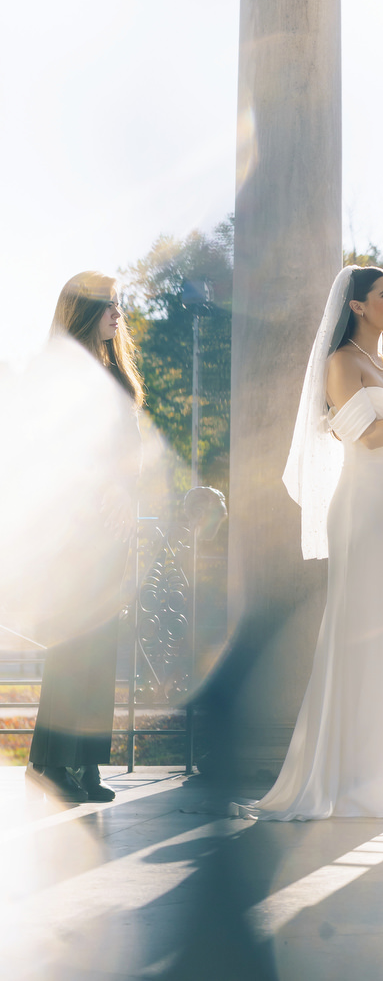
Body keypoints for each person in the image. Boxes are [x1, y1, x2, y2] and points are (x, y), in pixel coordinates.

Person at [248, 265, 383, 820]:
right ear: (358, 306)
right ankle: (343, 779)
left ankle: (381, 780)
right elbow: (367, 437)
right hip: (361, 512)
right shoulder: (341, 364)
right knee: (356, 633)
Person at [26, 272, 143, 806]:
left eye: (118, 305)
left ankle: (86, 761)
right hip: (75, 526)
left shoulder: (116, 371)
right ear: (81, 312)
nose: (117, 314)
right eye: (107, 306)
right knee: (74, 645)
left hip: (112, 527)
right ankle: (52, 762)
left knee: (101, 646)